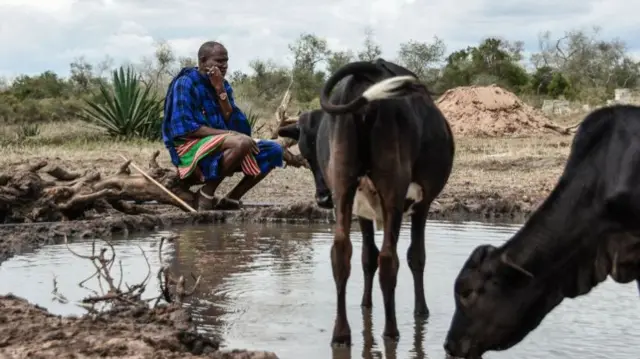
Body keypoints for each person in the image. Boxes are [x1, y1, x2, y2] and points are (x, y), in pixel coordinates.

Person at [162, 41, 284, 210]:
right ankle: (206, 194)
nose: (224, 66)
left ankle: (232, 199)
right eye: (219, 61)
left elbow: (230, 116)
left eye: (226, 61)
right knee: (241, 142)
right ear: (203, 61)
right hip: (191, 144)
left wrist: (219, 89)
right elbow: (186, 128)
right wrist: (229, 135)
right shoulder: (185, 83)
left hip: (220, 141)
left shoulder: (222, 83)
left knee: (274, 150)